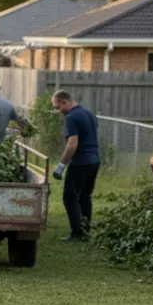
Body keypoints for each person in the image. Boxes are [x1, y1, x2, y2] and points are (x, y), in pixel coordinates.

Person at [52, 90, 101, 242]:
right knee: (85, 196)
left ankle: (77, 233)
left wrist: (61, 165)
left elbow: (72, 145)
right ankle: (86, 230)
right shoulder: (89, 113)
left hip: (80, 162)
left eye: (57, 107)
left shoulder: (71, 117)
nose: (58, 111)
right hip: (95, 161)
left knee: (70, 197)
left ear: (65, 102)